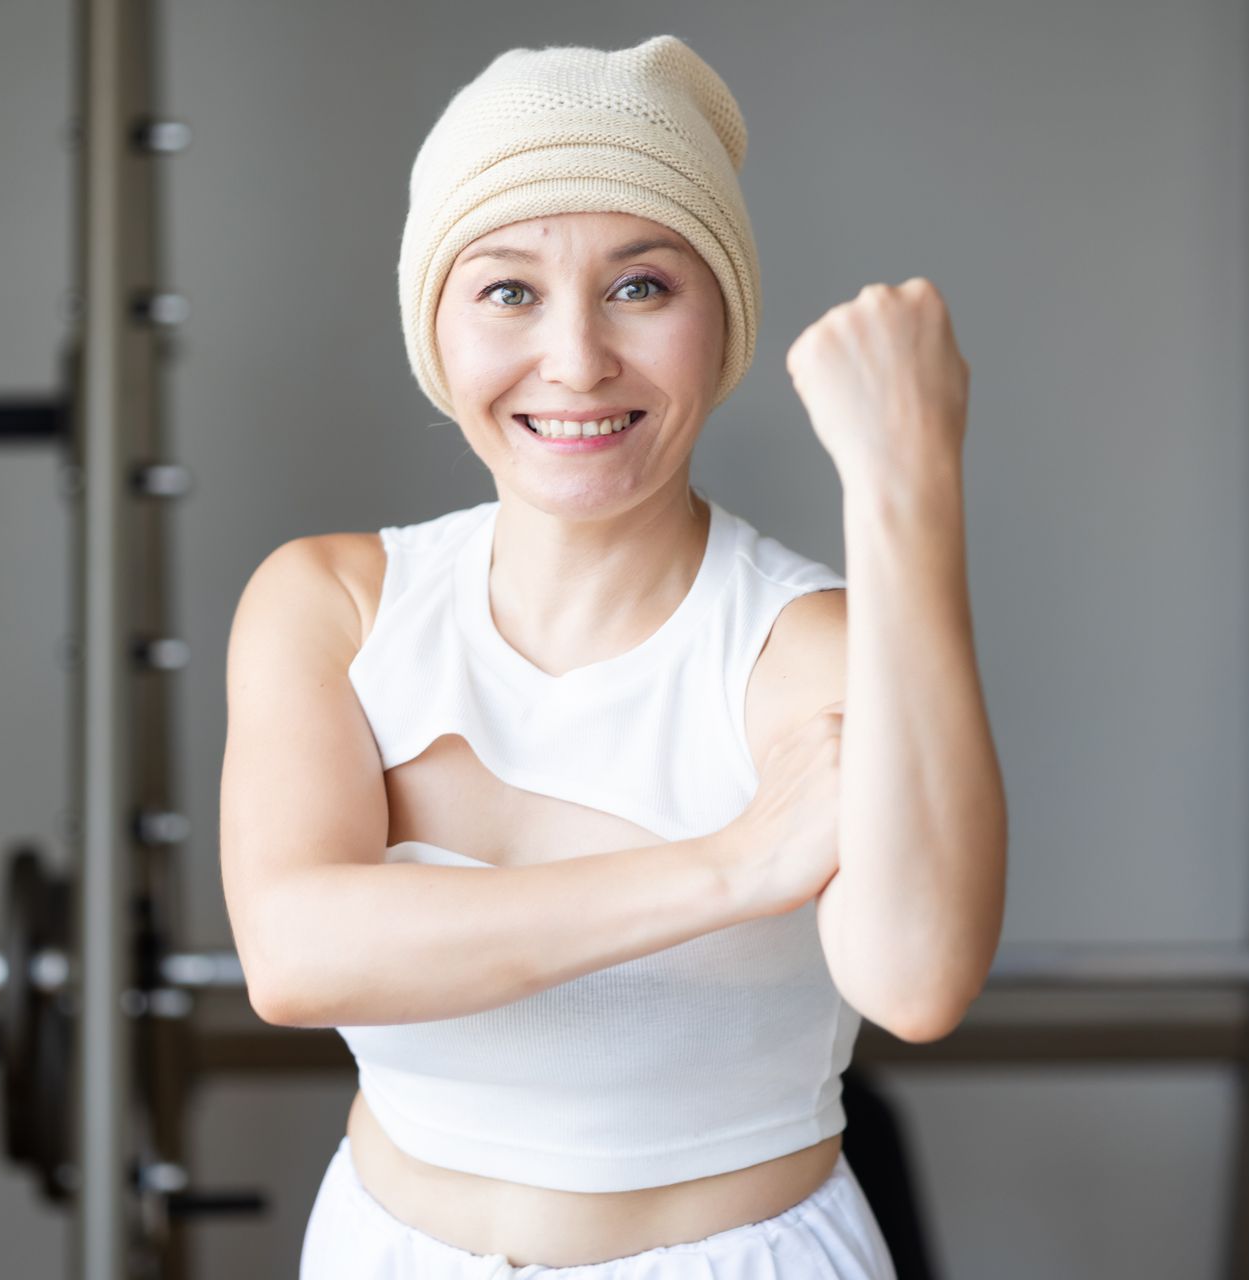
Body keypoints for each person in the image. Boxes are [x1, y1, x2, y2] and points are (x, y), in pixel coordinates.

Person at [219, 32, 1006, 1279]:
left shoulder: (806, 647)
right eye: (509, 289)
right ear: (437, 323)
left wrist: (905, 480)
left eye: (641, 286)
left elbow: (915, 978)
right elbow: (298, 952)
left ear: (722, 317)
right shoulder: (330, 602)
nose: (576, 359)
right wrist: (735, 864)